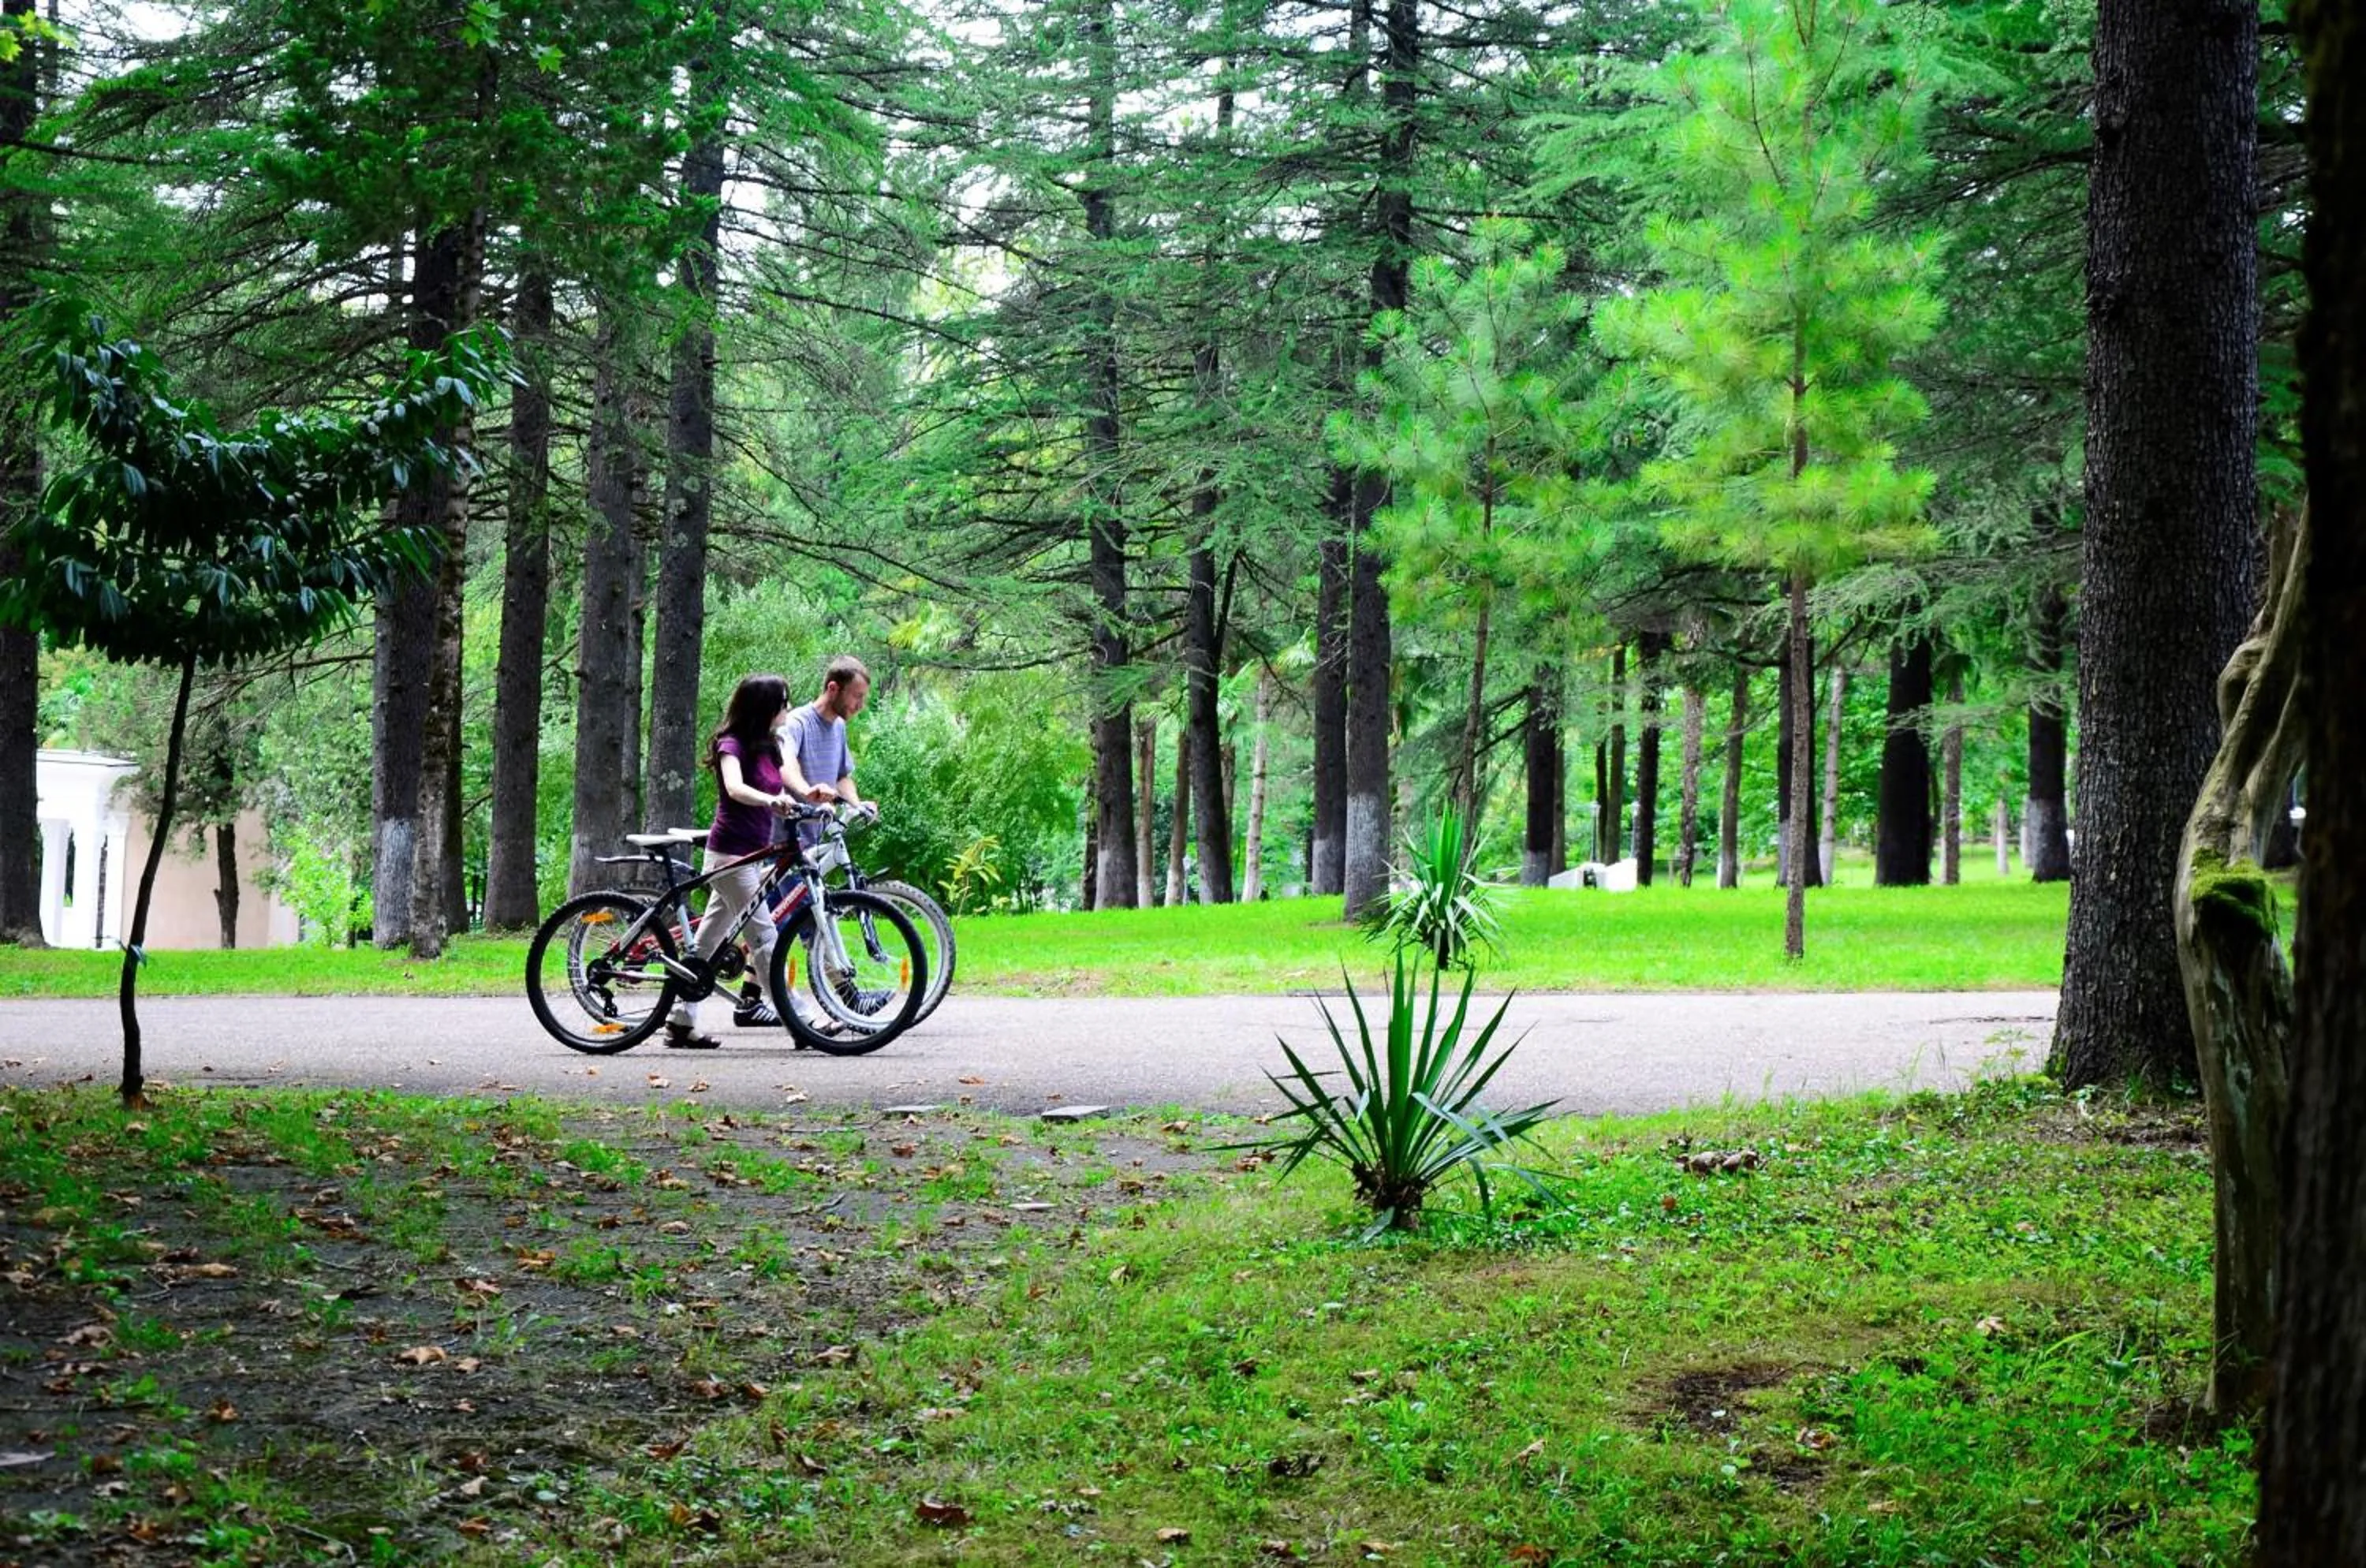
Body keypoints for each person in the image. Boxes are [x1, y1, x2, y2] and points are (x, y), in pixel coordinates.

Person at [666, 674, 834, 1049]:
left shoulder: (771, 745)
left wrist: (809, 793)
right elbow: (735, 788)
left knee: (707, 942)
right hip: (728, 855)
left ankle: (680, 1020)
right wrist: (768, 801)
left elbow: (785, 781)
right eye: (783, 702)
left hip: (752, 855)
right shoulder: (732, 744)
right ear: (764, 708)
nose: (788, 709)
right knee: (765, 938)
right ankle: (802, 1021)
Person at [778, 654, 875, 842]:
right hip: (783, 843)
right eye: (857, 697)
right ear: (833, 688)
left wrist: (857, 805)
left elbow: (841, 777)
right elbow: (785, 764)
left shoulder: (838, 726)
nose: (860, 706)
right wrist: (807, 791)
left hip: (814, 842)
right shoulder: (797, 723)